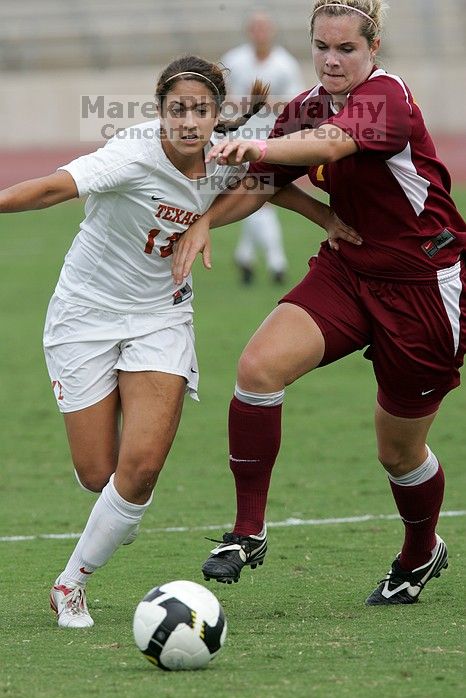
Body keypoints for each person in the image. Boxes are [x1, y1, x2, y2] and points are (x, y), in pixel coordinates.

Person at [0, 55, 358, 628]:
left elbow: (265, 185)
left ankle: (71, 584)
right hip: (84, 315)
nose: (189, 122)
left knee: (139, 472)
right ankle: (117, 506)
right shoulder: (132, 154)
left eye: (201, 110)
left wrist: (322, 217)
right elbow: (50, 189)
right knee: (101, 475)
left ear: (217, 115)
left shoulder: (225, 152)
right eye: (177, 110)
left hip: (160, 315)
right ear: (159, 111)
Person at [172, 0, 466, 605]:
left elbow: (328, 146)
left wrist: (254, 148)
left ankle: (419, 553)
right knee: (257, 368)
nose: (332, 61)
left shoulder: (387, 98)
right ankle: (247, 532)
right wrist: (208, 221)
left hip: (424, 286)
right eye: (323, 48)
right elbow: (265, 184)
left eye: (347, 49)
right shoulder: (305, 106)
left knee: (398, 451)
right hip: (350, 269)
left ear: (373, 49)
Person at [221, 10, 305, 284]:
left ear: (271, 31)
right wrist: (240, 106)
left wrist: (266, 104)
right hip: (239, 135)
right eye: (255, 28)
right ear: (249, 31)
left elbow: (296, 104)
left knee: (259, 193)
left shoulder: (285, 64)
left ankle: (247, 256)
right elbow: (221, 97)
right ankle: (275, 261)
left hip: (271, 139)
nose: (260, 33)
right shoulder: (234, 60)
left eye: (264, 28)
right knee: (258, 192)